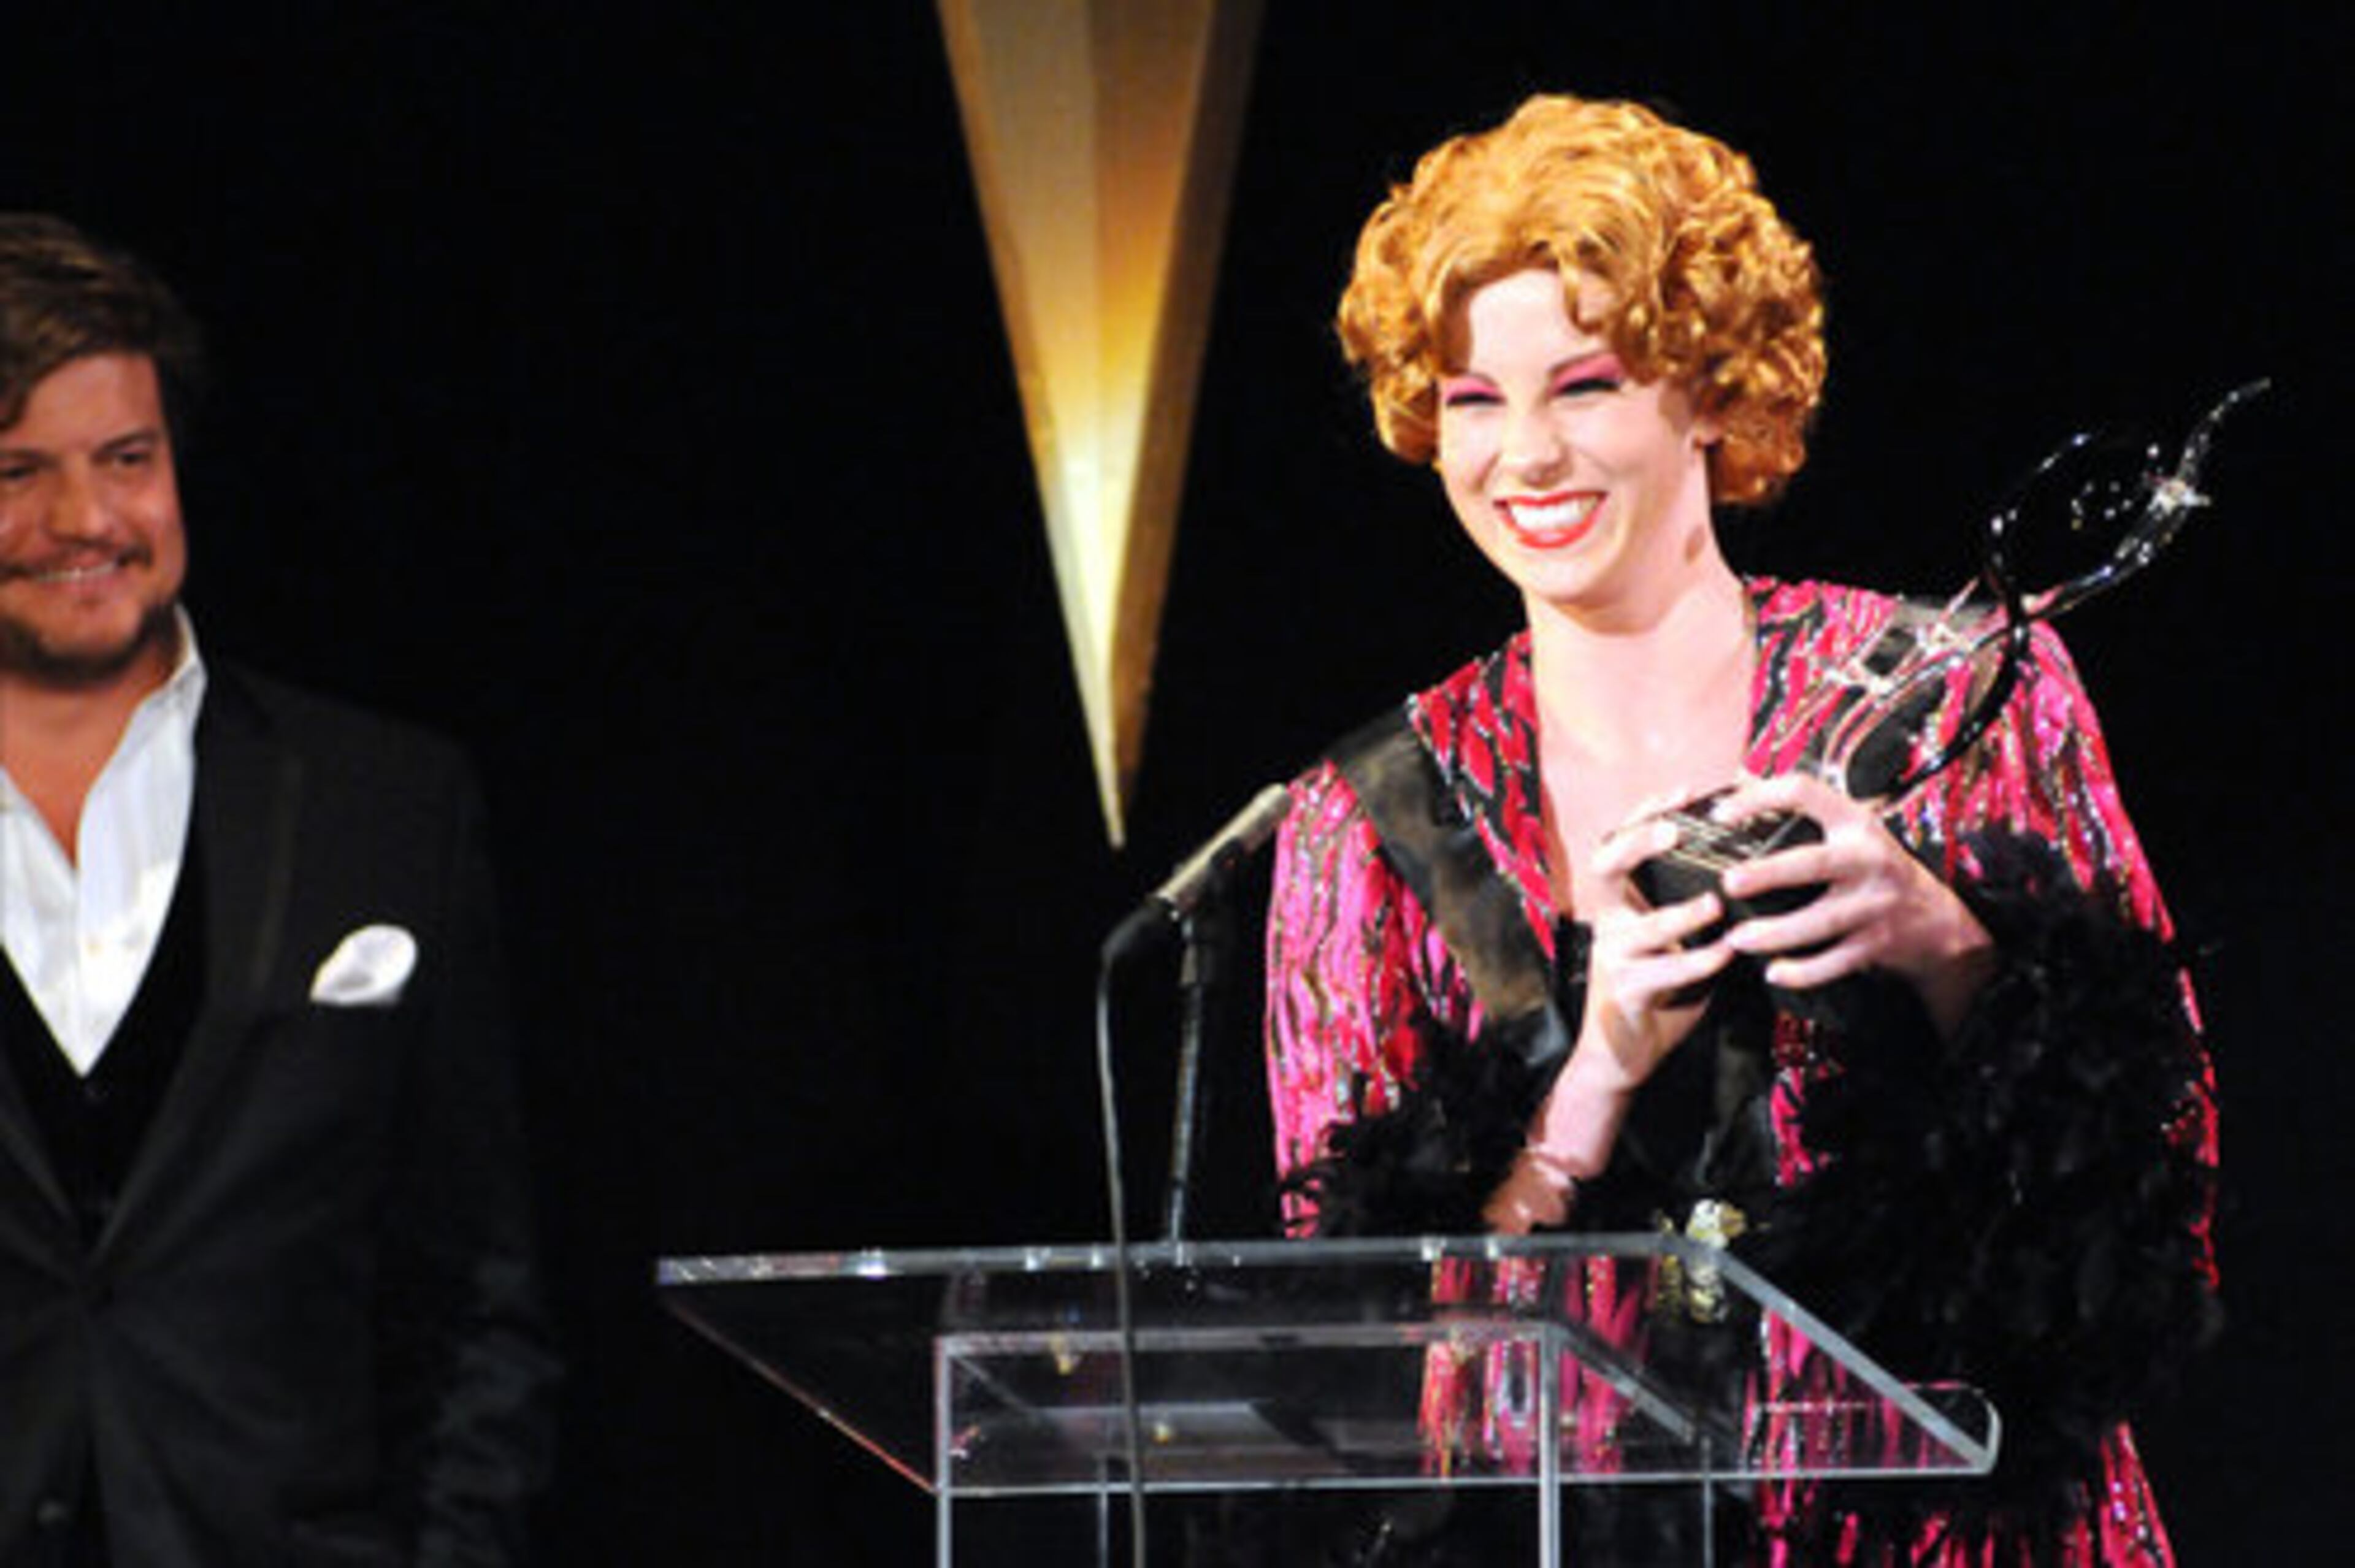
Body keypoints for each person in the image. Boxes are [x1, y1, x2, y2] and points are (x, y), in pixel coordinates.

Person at [1262, 96, 2216, 1562]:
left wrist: (1943, 941)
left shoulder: (1951, 692)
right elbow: (1370, 1373)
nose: (1524, 454)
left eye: (1582, 385)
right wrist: (1591, 1084)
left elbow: (2162, 1181)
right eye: (1469, 398)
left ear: (1710, 388)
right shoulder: (1362, 821)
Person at [0, 215, 556, 1566]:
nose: (88, 519)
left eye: (126, 459)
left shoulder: (386, 806)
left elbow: (476, 1292)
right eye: (20, 471)